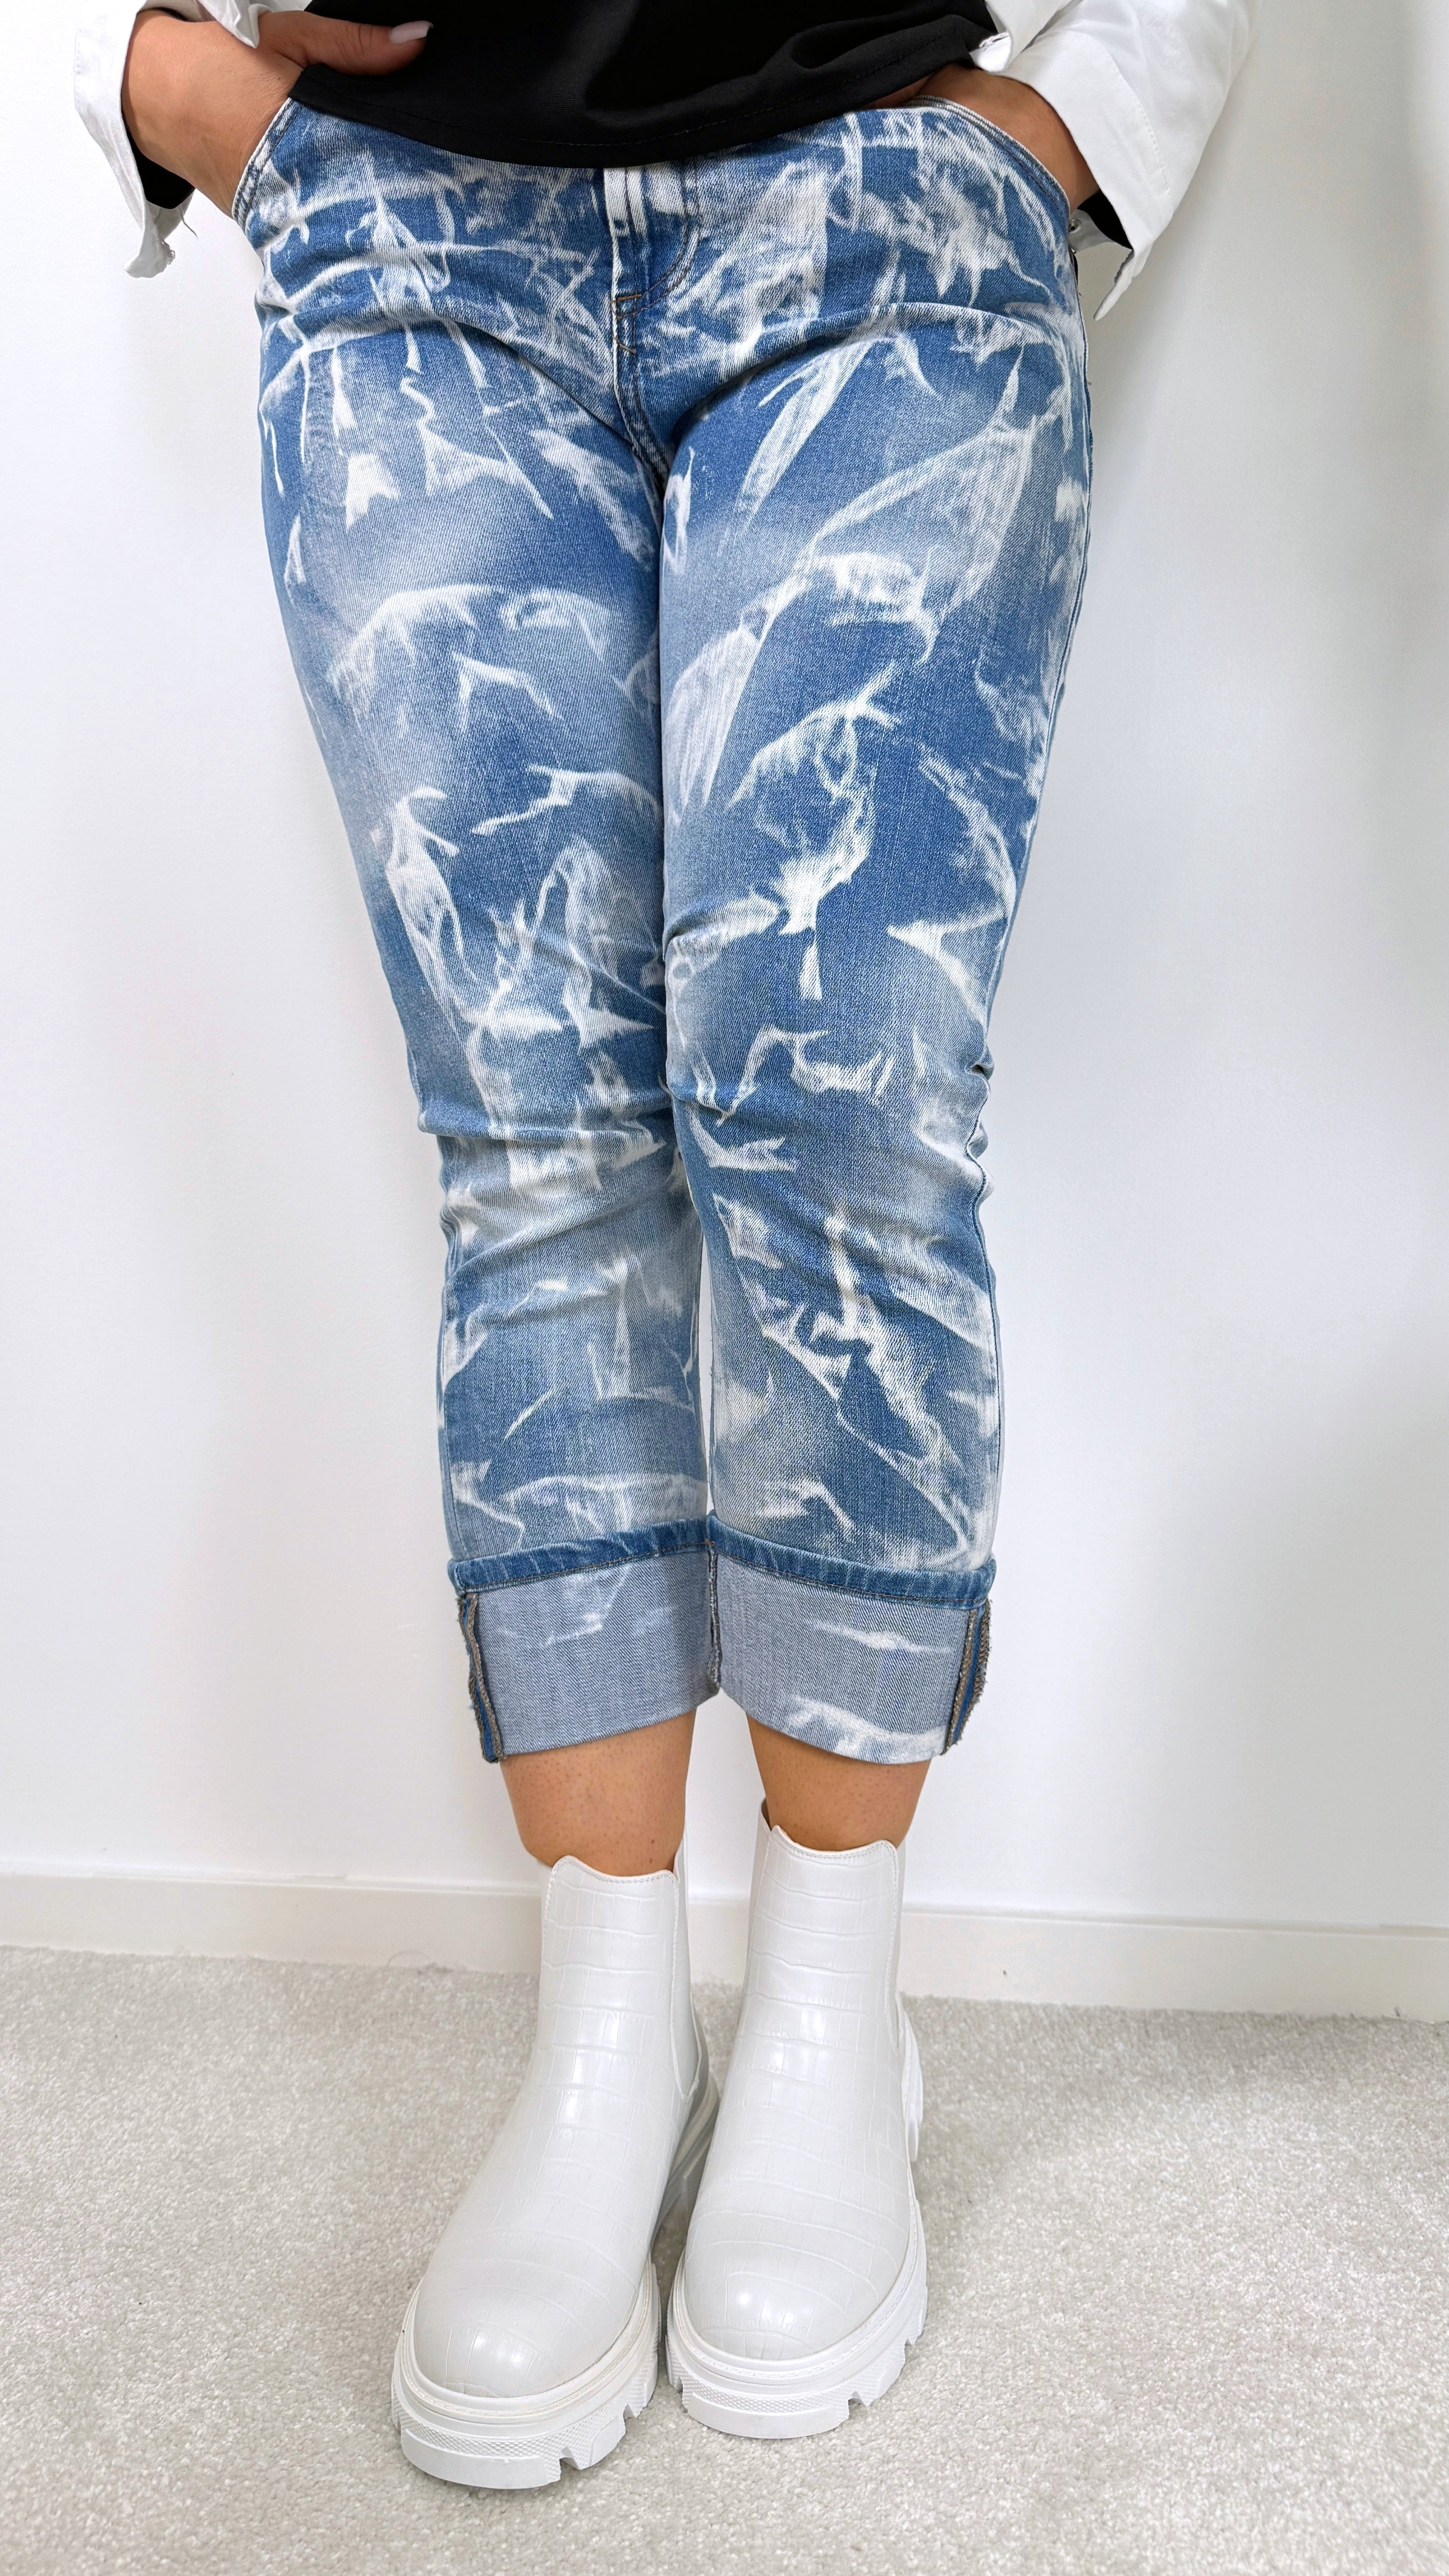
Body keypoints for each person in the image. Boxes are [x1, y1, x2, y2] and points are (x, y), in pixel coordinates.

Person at [77, 0, 1258, 2489]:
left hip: (884, 210)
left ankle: (834, 2005)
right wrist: (164, 77)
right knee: (536, 1147)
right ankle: (608, 2028)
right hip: (411, 236)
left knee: (841, 1110)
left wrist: (1075, 113)